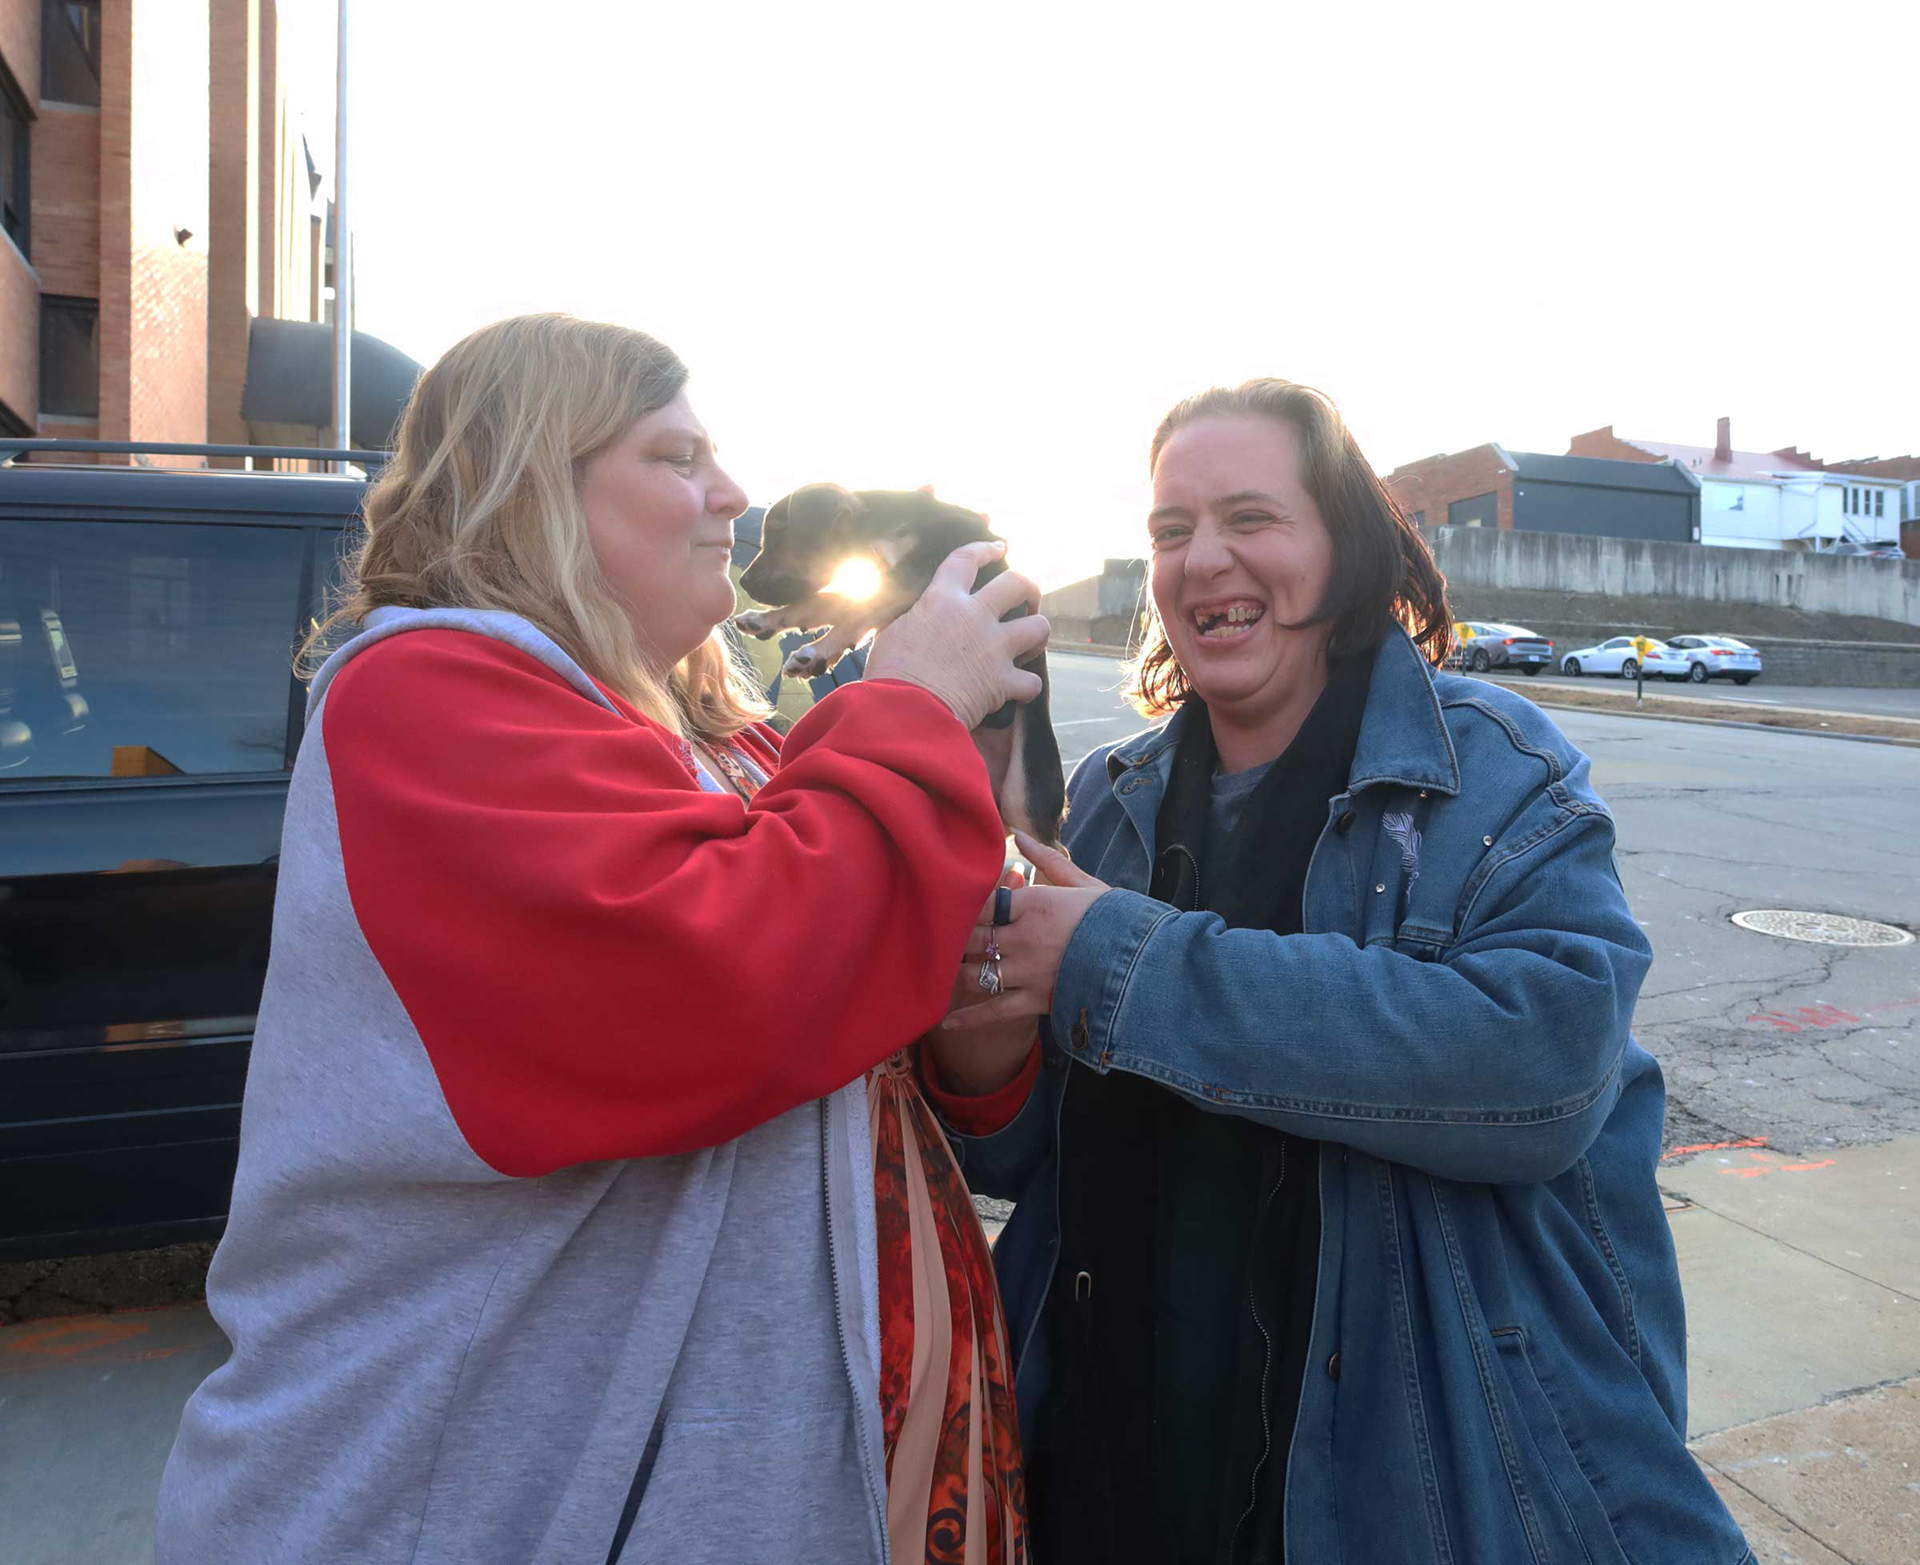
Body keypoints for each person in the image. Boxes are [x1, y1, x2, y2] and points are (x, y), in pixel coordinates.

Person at [155, 314, 1042, 1565]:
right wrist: (913, 703)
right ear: (531, 487)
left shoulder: (714, 736)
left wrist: (973, 1015)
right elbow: (729, 990)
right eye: (676, 456)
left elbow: (845, 1003)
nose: (730, 492)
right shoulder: (425, 697)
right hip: (499, 1507)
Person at [927, 380, 1753, 1564]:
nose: (1203, 559)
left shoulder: (1494, 769)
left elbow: (1545, 1063)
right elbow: (1018, 1157)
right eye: (1172, 529)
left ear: (1344, 546)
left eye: (1251, 517)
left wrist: (1115, 959)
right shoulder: (1108, 799)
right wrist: (983, 1033)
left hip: (1420, 1492)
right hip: (1110, 1472)